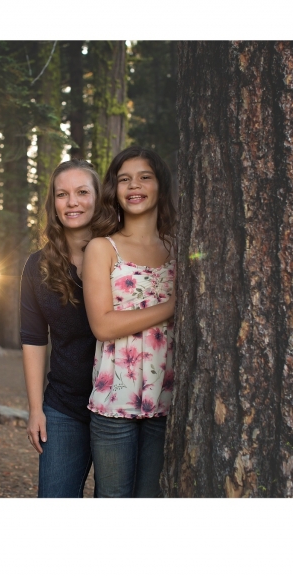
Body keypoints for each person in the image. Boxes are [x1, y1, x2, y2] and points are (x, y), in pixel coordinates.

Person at [82, 145, 177, 498]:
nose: (134, 186)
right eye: (125, 179)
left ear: (160, 186)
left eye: (144, 177)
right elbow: (103, 326)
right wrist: (173, 306)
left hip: (168, 403)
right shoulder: (102, 249)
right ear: (115, 190)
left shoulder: (179, 247)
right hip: (114, 403)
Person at [20, 159, 102, 497]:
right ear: (52, 204)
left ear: (99, 198)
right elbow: (34, 339)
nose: (72, 203)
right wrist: (36, 408)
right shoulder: (37, 266)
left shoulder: (121, 255)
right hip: (64, 406)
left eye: (82, 192)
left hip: (120, 406)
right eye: (62, 195)